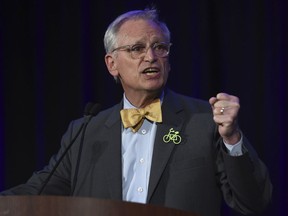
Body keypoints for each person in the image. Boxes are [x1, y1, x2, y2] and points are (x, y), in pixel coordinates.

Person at [0, 8, 272, 216]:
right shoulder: (86, 131)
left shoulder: (204, 121)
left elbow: (253, 202)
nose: (151, 57)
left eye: (160, 47)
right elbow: (41, 189)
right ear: (112, 64)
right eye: (137, 49)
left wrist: (232, 139)